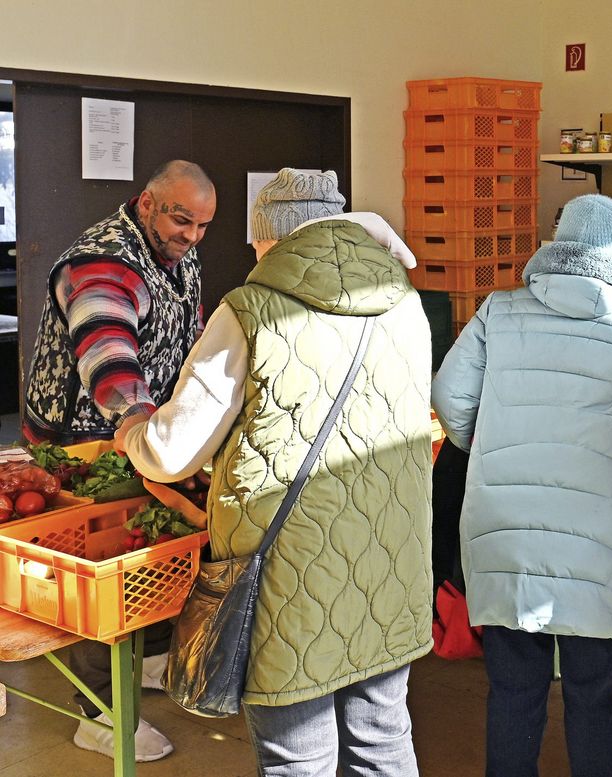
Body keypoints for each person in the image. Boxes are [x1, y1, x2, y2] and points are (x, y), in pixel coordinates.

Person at [115, 168, 431, 776]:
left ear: (273, 239)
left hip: (289, 575)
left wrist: (134, 430)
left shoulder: (250, 311)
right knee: (383, 739)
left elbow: (175, 451)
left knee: (298, 756)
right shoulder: (405, 302)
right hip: (391, 561)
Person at [431, 193, 612, 777]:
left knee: (513, 696)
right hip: (603, 541)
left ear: (557, 244)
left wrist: (491, 445)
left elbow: (447, 397)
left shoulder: (499, 312)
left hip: (505, 533)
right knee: (595, 701)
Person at [23, 159, 217, 762]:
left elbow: (191, 332)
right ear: (147, 203)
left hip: (149, 434)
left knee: (157, 548)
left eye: (203, 225)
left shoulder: (180, 256)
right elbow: (108, 350)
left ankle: (153, 658)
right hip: (85, 442)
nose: (191, 235)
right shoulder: (102, 262)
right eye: (182, 219)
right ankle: (100, 712)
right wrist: (138, 426)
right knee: (100, 562)